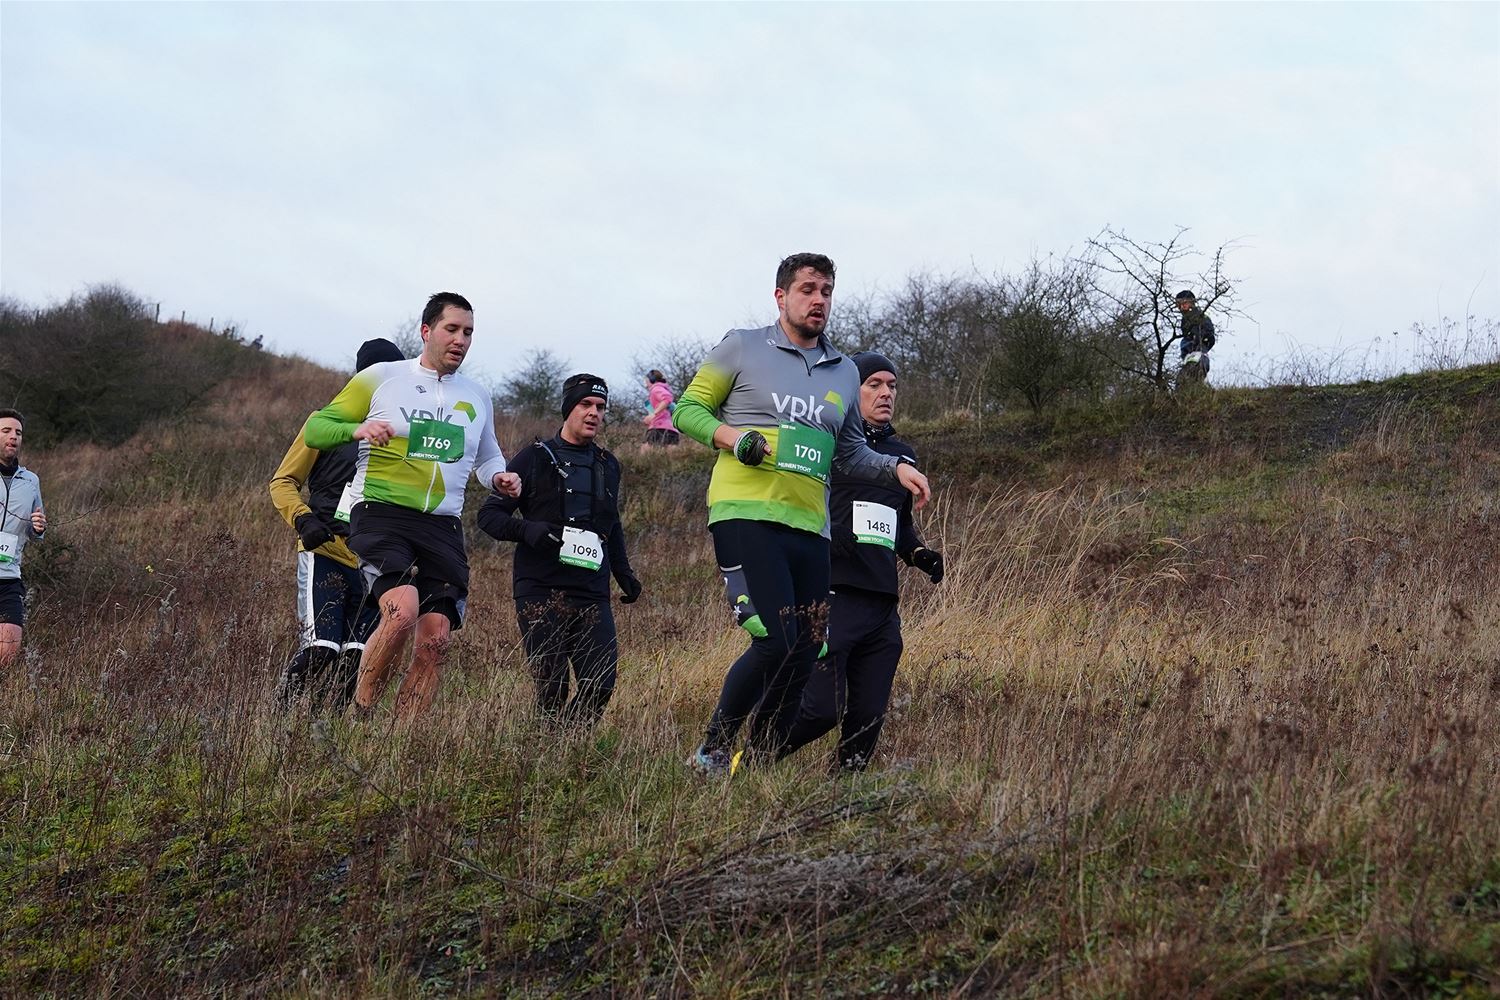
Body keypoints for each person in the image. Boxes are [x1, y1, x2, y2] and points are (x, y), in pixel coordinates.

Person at [673, 253, 932, 774]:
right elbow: (687, 410)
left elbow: (850, 453)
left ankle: (756, 768)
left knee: (808, 648)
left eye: (826, 291)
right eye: (807, 289)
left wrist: (895, 468)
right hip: (746, 512)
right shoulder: (742, 346)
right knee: (775, 640)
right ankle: (713, 750)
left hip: (811, 526)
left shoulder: (844, 371)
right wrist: (735, 438)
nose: (819, 300)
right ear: (781, 296)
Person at [304, 292, 521, 722]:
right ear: (426, 331)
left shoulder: (477, 396)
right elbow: (316, 428)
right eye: (451, 329)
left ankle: (403, 739)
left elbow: (487, 457)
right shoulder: (383, 378)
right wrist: (358, 429)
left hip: (442, 524)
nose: (460, 340)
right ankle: (361, 711)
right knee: (401, 613)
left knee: (436, 641)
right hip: (381, 512)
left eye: (469, 333)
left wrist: (499, 476)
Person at [777, 352, 944, 771]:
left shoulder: (902, 456)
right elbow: (789, 504)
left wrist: (917, 553)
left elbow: (899, 525)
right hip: (832, 591)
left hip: (882, 602)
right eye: (875, 384)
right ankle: (749, 760)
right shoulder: (827, 443)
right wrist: (825, 535)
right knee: (820, 710)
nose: (886, 393)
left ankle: (843, 791)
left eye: (892, 385)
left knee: (868, 714)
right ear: (853, 391)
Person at [478, 374, 641, 725]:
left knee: (600, 684)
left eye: (600, 407)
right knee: (552, 688)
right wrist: (530, 530)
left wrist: (623, 572)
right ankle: (545, 747)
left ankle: (565, 744)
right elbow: (489, 516)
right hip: (540, 587)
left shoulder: (608, 464)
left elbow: (611, 523)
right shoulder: (533, 458)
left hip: (591, 590)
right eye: (585, 404)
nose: (594, 413)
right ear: (568, 408)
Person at [269, 338, 405, 709]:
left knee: (358, 657)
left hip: (374, 561)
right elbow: (282, 482)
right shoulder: (326, 424)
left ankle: (329, 731)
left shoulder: (403, 431)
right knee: (322, 648)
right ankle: (276, 719)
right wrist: (303, 519)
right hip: (325, 550)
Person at [0, 410, 46, 671]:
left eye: (18, 433)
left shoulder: (30, 481)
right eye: (6, 431)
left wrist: (38, 527)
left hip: (9, 578)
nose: (13, 437)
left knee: (7, 655)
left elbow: (36, 530)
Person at [1175, 290, 1216, 381]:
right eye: (1179, 304)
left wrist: (1199, 340)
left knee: (1184, 379)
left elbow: (1210, 336)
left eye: (1184, 303)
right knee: (1186, 381)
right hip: (1188, 355)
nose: (1181, 307)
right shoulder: (1184, 320)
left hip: (1198, 354)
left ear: (1192, 303)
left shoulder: (1201, 317)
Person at [641, 370, 679, 449]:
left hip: (658, 427)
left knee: (645, 452)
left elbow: (667, 398)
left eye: (646, 380)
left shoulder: (656, 389)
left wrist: (653, 414)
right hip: (671, 428)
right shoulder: (662, 389)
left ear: (652, 380)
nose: (645, 383)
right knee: (672, 456)